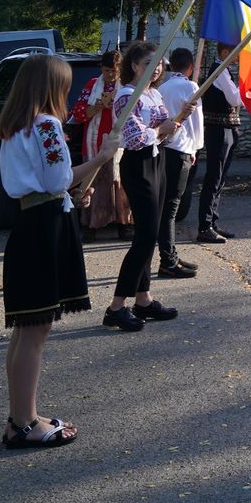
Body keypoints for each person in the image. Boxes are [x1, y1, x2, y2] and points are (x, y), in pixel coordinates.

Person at [0, 54, 106, 450]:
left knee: (27, 329)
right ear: (51, 87)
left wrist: (70, 194)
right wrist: (102, 157)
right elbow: (57, 177)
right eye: (64, 84)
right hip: (44, 231)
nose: (69, 90)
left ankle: (20, 417)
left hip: (33, 223)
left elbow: (47, 186)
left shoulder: (13, 127)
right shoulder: (45, 125)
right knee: (35, 330)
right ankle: (25, 423)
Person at [104, 43, 180, 332]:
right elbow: (135, 138)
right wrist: (162, 129)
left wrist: (177, 120)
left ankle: (143, 300)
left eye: (159, 62)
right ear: (134, 65)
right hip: (137, 165)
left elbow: (161, 129)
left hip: (156, 161)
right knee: (145, 236)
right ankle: (115, 307)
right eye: (149, 62)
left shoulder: (154, 93)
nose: (157, 67)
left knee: (153, 232)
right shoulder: (126, 95)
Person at [71, 50, 131, 241]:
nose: (110, 75)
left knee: (118, 183)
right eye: (107, 71)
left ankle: (123, 223)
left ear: (120, 70)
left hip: (119, 142)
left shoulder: (126, 88)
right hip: (94, 142)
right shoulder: (92, 86)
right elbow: (79, 114)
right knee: (93, 183)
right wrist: (97, 106)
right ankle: (91, 225)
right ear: (101, 69)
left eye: (114, 71)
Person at [153, 48, 202, 279]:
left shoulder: (162, 88)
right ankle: (168, 260)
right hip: (181, 148)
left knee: (167, 207)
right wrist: (196, 148)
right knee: (171, 208)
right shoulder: (191, 87)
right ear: (190, 67)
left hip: (164, 148)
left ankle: (170, 253)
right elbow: (196, 124)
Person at [196, 45, 242, 244]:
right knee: (214, 177)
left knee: (220, 178)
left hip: (226, 128)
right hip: (218, 130)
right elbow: (235, 99)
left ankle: (212, 222)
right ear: (225, 52)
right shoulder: (220, 70)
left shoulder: (224, 71)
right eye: (238, 50)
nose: (240, 55)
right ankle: (204, 226)